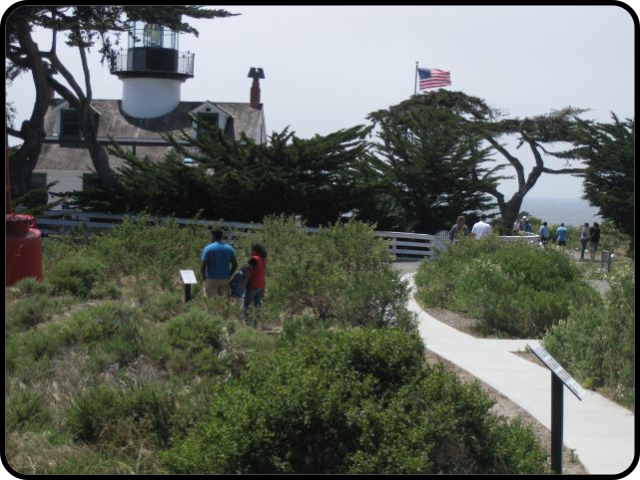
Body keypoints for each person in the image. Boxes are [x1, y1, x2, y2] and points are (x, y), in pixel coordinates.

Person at [200, 228, 238, 298]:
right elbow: (235, 264)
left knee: (210, 302)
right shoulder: (229, 248)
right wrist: (229, 275)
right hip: (224, 279)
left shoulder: (208, 248)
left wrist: (204, 278)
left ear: (213, 236)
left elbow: (203, 266)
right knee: (223, 303)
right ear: (222, 236)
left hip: (211, 278)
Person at [243, 243, 267, 325]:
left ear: (254, 250)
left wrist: (244, 271)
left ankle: (248, 324)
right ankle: (256, 324)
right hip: (260, 285)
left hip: (252, 285)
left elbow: (246, 270)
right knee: (257, 306)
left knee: (247, 306)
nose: (250, 251)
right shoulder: (263, 259)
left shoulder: (254, 259)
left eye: (251, 249)